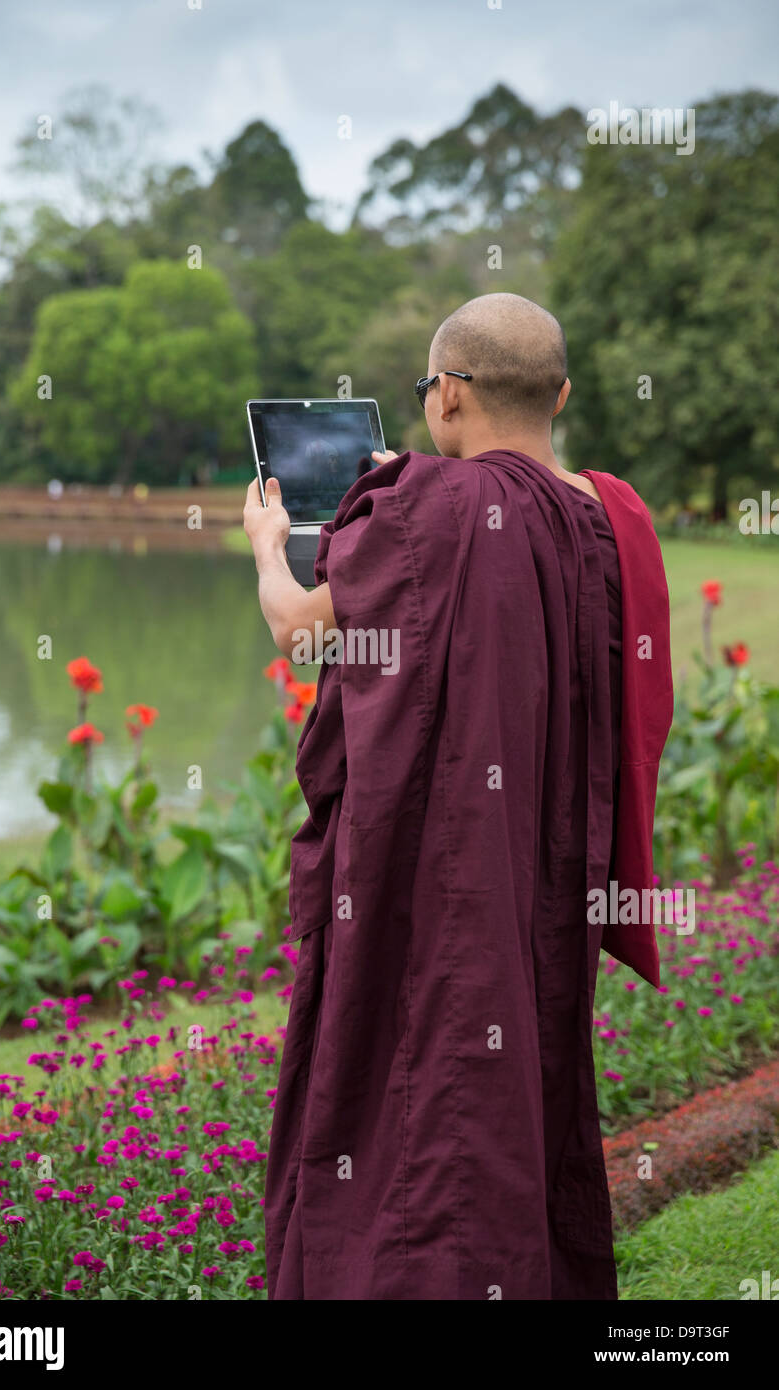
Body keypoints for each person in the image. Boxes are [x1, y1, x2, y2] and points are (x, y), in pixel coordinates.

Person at [243, 292, 673, 1301]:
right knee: (522, 1079)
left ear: (443, 395)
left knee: (410, 1083)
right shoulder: (606, 515)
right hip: (543, 866)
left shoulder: (418, 507)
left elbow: (307, 634)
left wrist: (270, 541)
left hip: (424, 872)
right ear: (558, 395)